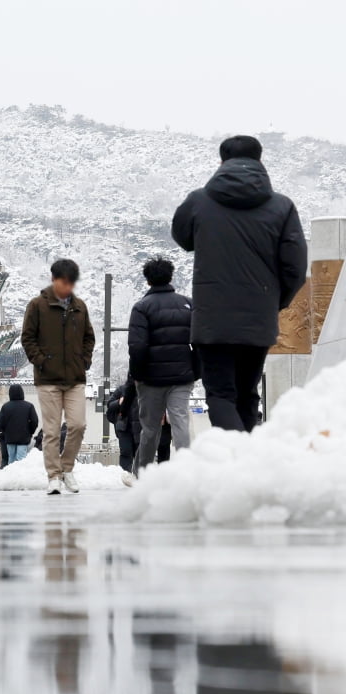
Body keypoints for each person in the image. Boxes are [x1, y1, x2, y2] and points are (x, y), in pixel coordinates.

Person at [172, 135, 307, 433]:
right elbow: (296, 266)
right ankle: (245, 461)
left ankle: (236, 459)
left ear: (221, 163)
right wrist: (275, 301)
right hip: (258, 317)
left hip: (212, 318)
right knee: (248, 393)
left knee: (220, 393)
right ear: (260, 161)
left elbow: (182, 237)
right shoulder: (282, 207)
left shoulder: (199, 201)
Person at [21, 258, 95, 495]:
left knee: (78, 425)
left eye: (72, 283)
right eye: (65, 282)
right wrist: (41, 362)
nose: (68, 287)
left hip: (75, 378)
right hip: (48, 380)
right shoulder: (37, 306)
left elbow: (89, 337)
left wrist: (84, 360)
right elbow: (27, 338)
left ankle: (67, 468)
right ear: (54, 280)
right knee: (51, 431)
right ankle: (54, 476)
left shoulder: (80, 307)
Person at [127, 257, 199, 477]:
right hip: (182, 377)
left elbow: (137, 347)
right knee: (180, 423)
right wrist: (195, 370)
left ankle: (143, 474)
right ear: (171, 276)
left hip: (151, 379)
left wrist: (138, 376)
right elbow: (200, 340)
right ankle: (187, 472)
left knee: (150, 429)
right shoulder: (188, 304)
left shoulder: (141, 308)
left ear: (147, 280)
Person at [0, 385, 39, 465]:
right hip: (24, 437)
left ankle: (12, 475)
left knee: (11, 459)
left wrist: (3, 433)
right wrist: (30, 431)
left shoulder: (6, 407)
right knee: (21, 459)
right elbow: (34, 421)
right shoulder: (29, 406)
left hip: (10, 437)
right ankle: (20, 475)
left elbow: (1, 422)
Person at [105, 381, 139, 473]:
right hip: (124, 427)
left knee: (140, 453)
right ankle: (126, 474)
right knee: (126, 451)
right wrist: (119, 402)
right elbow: (109, 404)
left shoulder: (146, 389)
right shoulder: (122, 389)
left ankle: (139, 476)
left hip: (140, 427)